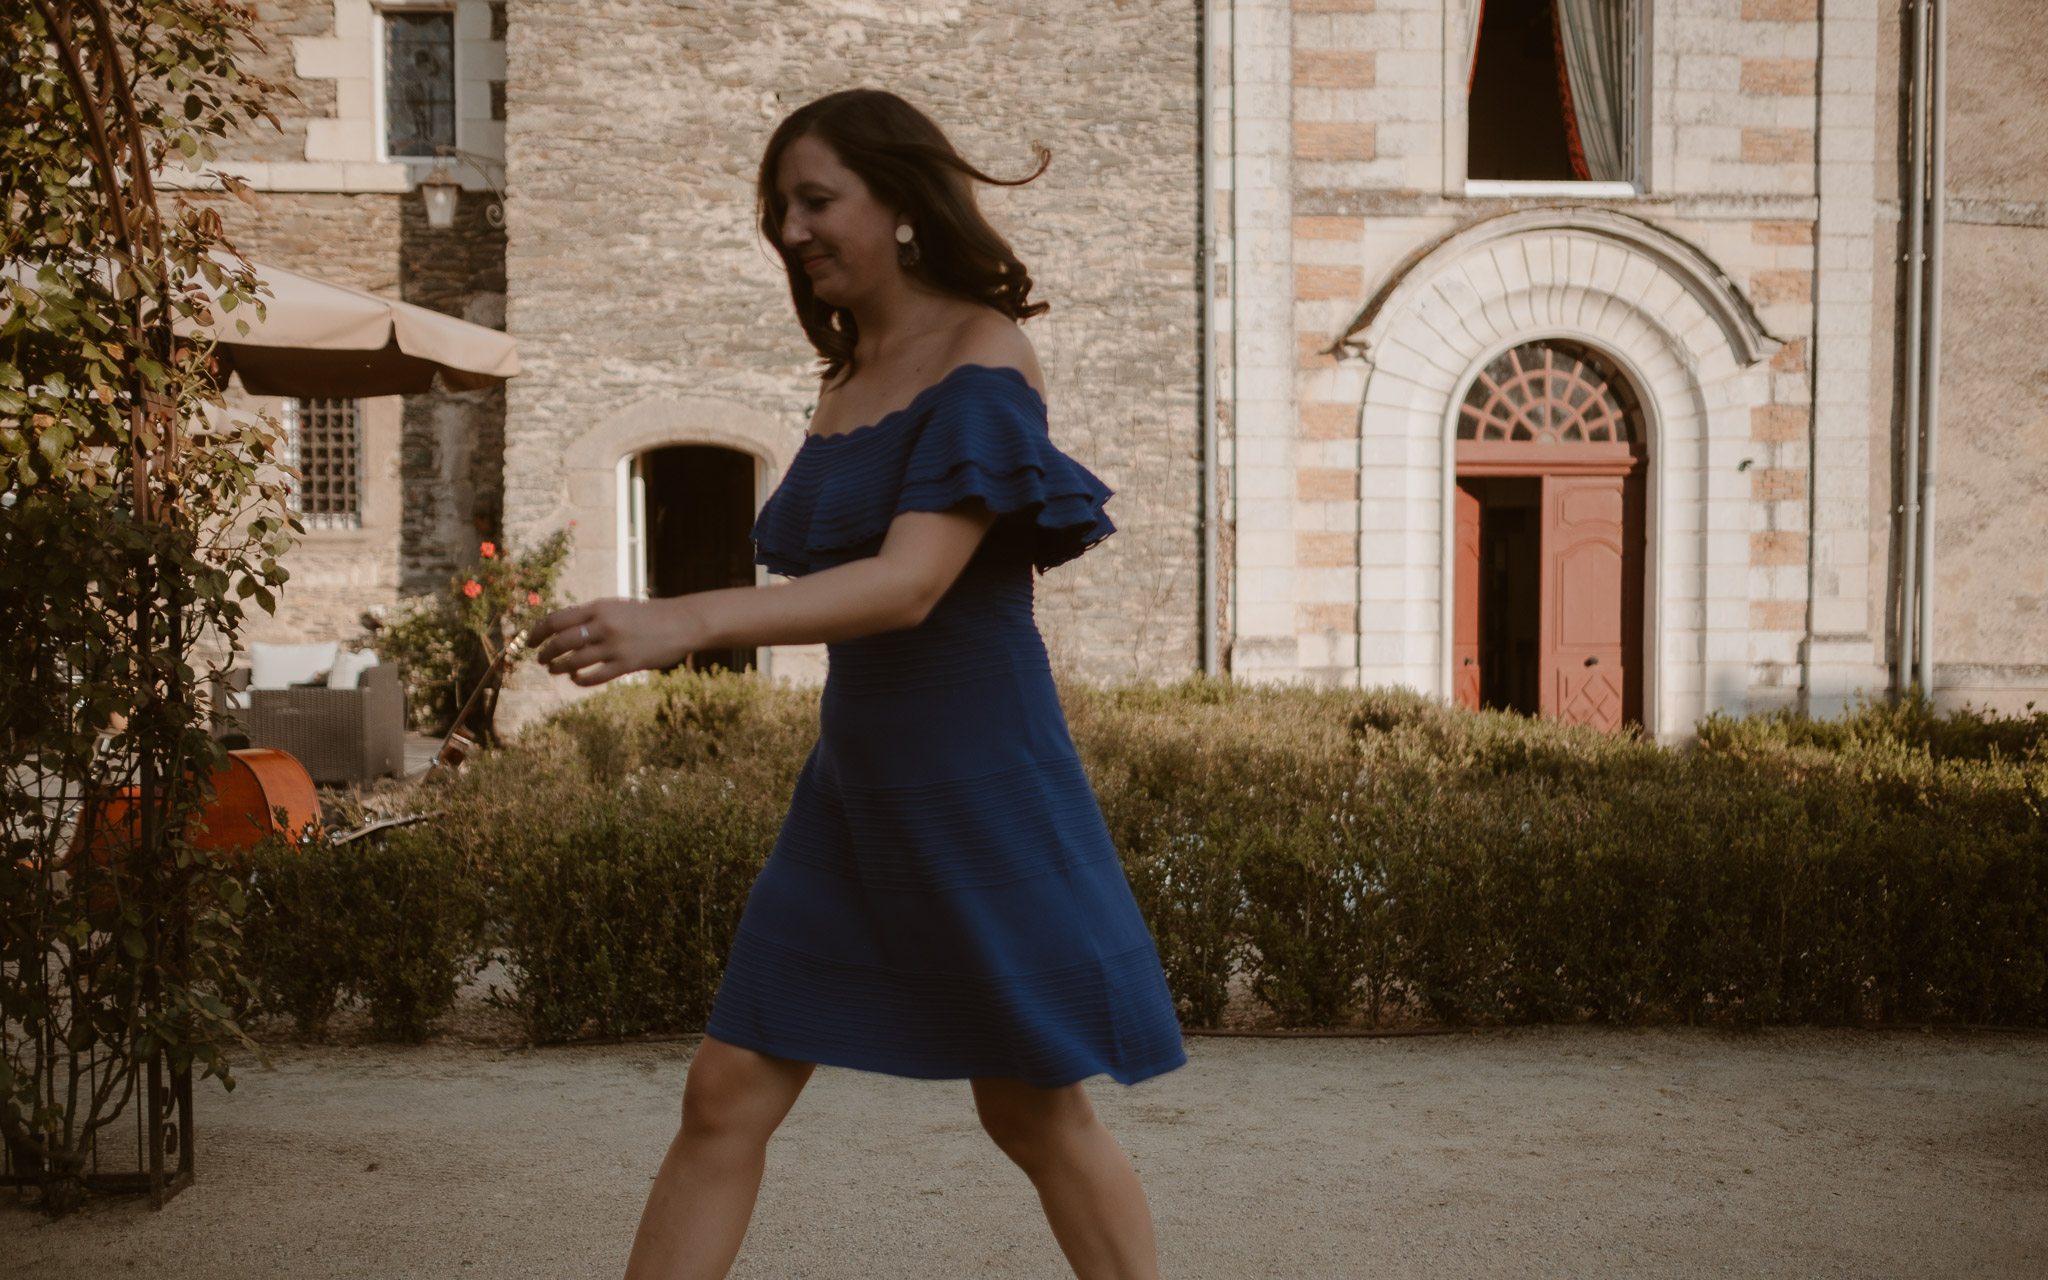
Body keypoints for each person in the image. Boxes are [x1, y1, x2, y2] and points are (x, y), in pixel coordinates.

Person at [529, 89, 1186, 1280]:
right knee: (723, 1091)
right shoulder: (845, 376)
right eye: (779, 208)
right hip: (856, 786)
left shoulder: (983, 357)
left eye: (816, 199)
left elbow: (908, 586)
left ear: (901, 200)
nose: (791, 229)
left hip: (978, 782)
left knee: (1032, 1111)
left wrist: (683, 616)